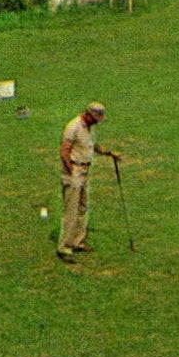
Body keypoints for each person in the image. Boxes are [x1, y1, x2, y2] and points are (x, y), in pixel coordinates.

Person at [57, 102, 119, 263]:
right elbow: (64, 150)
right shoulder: (73, 126)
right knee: (71, 210)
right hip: (74, 171)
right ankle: (65, 247)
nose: (98, 122)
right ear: (89, 114)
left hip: (85, 171)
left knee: (83, 207)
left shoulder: (90, 128)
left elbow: (92, 146)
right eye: (96, 118)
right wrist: (70, 172)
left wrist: (109, 153)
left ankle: (78, 241)